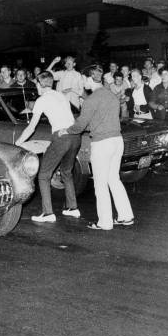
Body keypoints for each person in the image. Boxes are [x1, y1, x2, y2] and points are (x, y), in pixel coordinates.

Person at [61, 65, 133, 230]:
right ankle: (126, 216)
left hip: (102, 143)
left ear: (88, 79)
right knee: (114, 179)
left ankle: (105, 222)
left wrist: (67, 129)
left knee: (100, 183)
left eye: (83, 79)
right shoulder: (112, 96)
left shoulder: (91, 100)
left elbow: (80, 125)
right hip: (117, 140)